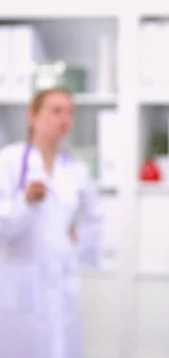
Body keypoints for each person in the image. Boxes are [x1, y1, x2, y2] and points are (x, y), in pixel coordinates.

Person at [0, 88, 104, 358]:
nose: (64, 119)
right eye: (56, 111)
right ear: (32, 116)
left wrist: (75, 246)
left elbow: (95, 217)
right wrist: (25, 202)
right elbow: (3, 225)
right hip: (22, 276)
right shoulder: (9, 162)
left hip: (62, 277)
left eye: (69, 112)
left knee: (62, 345)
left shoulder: (75, 168)